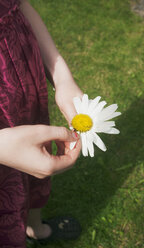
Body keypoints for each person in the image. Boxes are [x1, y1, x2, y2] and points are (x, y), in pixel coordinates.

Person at [0, 0, 83, 247]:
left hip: (24, 81)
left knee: (35, 163)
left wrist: (61, 76)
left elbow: (19, 5)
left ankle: (34, 227)